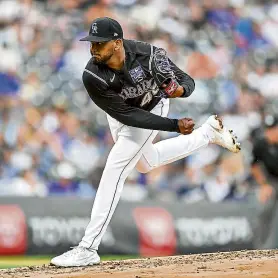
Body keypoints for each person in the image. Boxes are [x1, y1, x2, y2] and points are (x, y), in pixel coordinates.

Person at [50, 17, 240, 267]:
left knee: (115, 169)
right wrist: (174, 126)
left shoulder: (147, 54)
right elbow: (128, 116)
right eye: (92, 43)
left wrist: (179, 90)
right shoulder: (92, 74)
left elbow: (188, 82)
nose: (93, 49)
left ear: (117, 43)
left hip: (155, 105)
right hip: (122, 114)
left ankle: (88, 247)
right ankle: (207, 134)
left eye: (99, 43)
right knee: (145, 163)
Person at [251, 114, 278, 203]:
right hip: (271, 180)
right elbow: (254, 166)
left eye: (274, 129)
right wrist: (263, 184)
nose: (270, 133)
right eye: (268, 129)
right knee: (264, 199)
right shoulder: (261, 145)